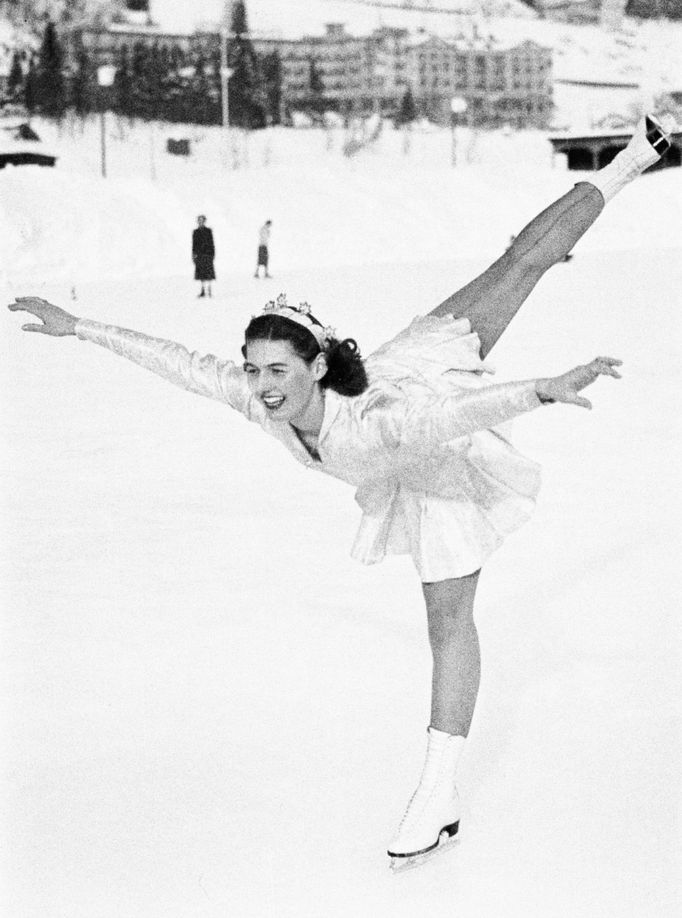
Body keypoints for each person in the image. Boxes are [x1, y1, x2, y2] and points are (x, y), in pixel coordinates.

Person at [8, 115, 670, 871]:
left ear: (316, 367)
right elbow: (177, 360)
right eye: (253, 370)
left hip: (428, 438)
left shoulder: (375, 428)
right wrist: (80, 326)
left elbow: (449, 416)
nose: (261, 388)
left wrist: (541, 392)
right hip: (407, 366)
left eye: (277, 371)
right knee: (518, 260)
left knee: (448, 620)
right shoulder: (262, 399)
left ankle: (437, 790)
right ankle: (638, 156)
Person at [192, 215, 216, 298]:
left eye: (202, 220)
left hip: (208, 254)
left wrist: (212, 254)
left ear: (204, 221)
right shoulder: (195, 232)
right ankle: (202, 290)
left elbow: (211, 243)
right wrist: (194, 255)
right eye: (199, 220)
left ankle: (209, 289)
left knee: (209, 273)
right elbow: (194, 245)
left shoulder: (208, 231)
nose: (200, 222)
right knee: (201, 274)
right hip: (199, 255)